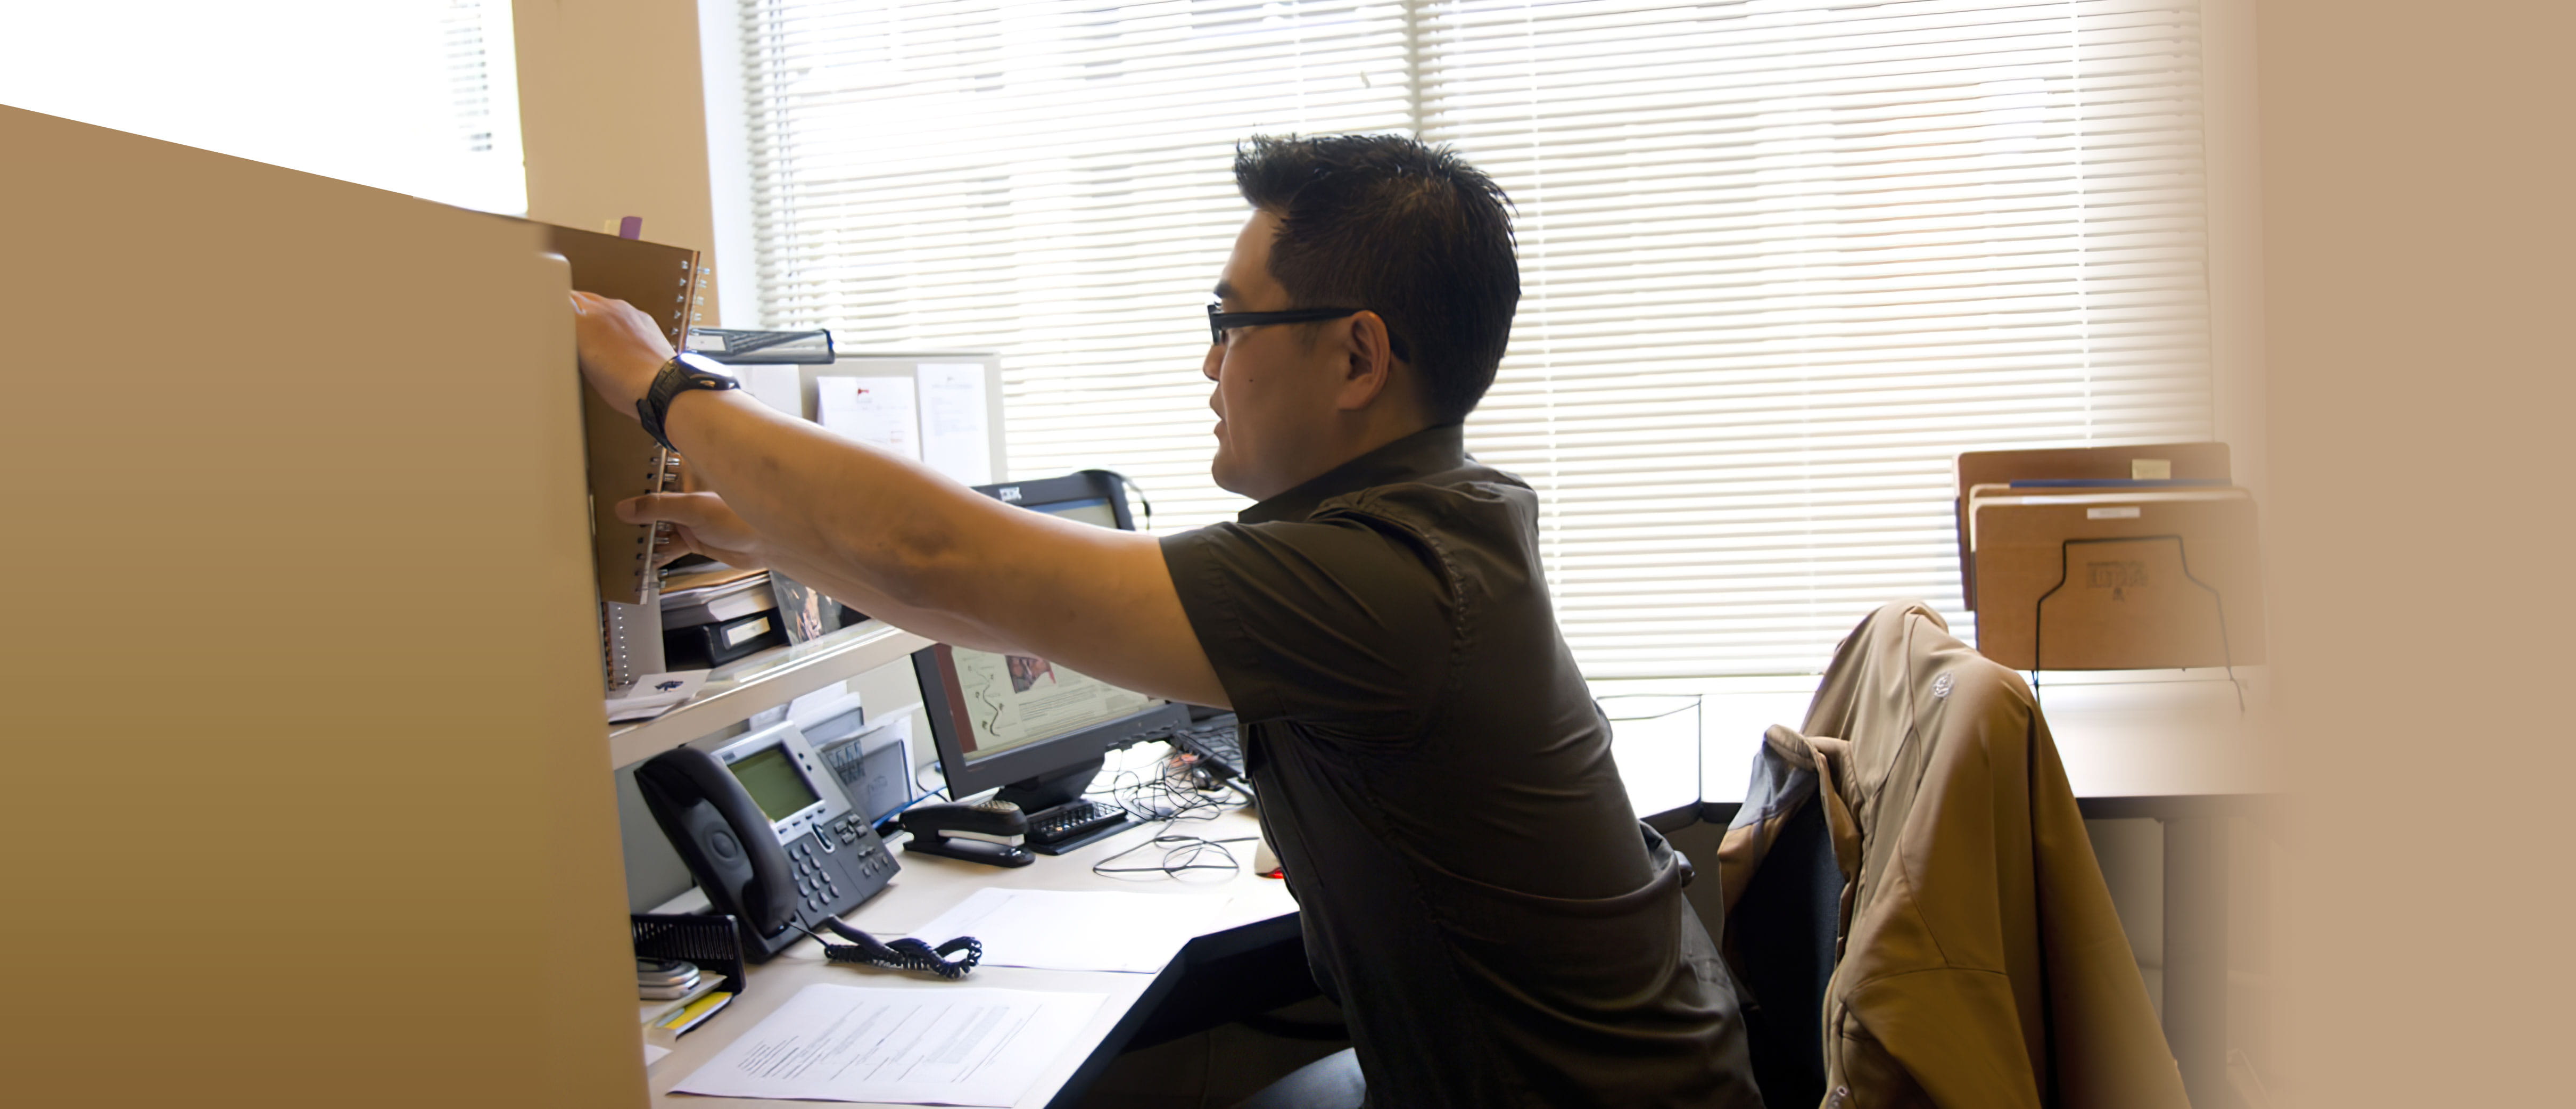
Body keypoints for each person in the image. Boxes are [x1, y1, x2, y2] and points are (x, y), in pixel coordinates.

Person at [573, 134, 1760, 1109]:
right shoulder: (1425, 525)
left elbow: (941, 550)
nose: (1209, 360)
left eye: (1229, 320)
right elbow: (957, 594)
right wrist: (771, 541)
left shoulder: (1384, 577)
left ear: (1357, 356)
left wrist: (664, 385)